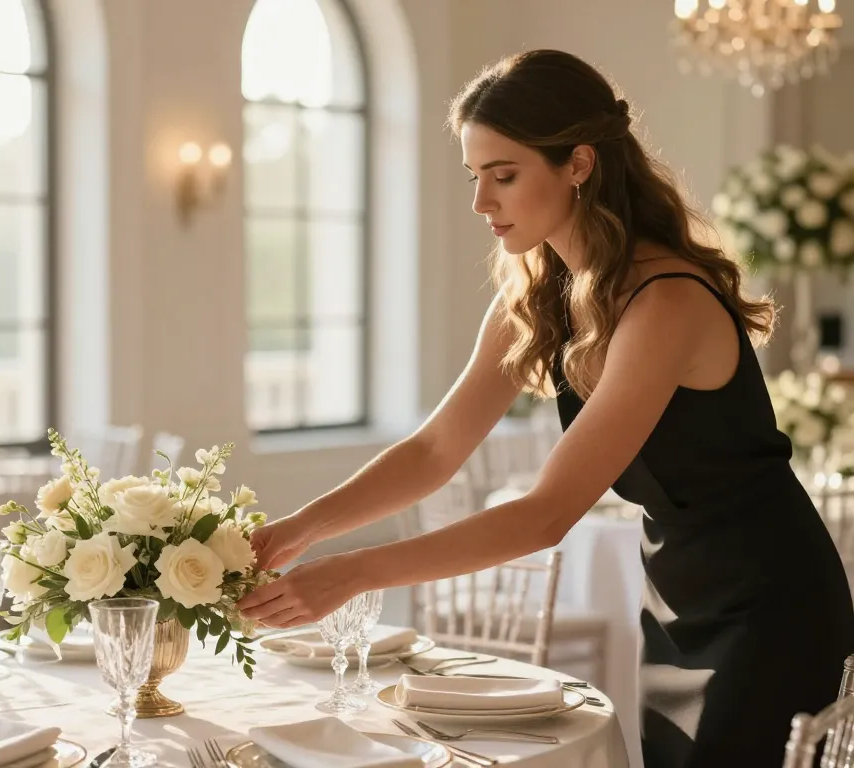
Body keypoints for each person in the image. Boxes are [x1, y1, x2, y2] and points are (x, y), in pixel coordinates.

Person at [236, 49, 854, 766]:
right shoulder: (536, 295)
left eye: (504, 175)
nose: (481, 202)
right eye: (475, 177)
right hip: (676, 597)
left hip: (769, 606)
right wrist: (298, 531)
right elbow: (436, 451)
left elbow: (546, 513)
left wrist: (355, 571)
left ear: (579, 164)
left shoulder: (669, 301)